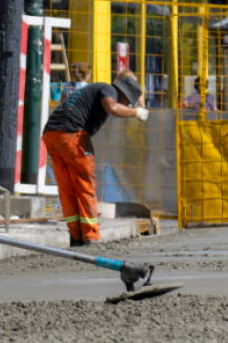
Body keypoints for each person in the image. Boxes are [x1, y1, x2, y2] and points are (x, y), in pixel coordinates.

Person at [42, 69, 148, 247]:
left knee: (67, 188)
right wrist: (137, 112)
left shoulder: (94, 90)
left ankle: (76, 236)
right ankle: (91, 236)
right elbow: (112, 108)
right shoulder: (108, 90)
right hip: (71, 134)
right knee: (86, 185)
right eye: (128, 102)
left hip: (52, 134)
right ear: (123, 93)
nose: (126, 105)